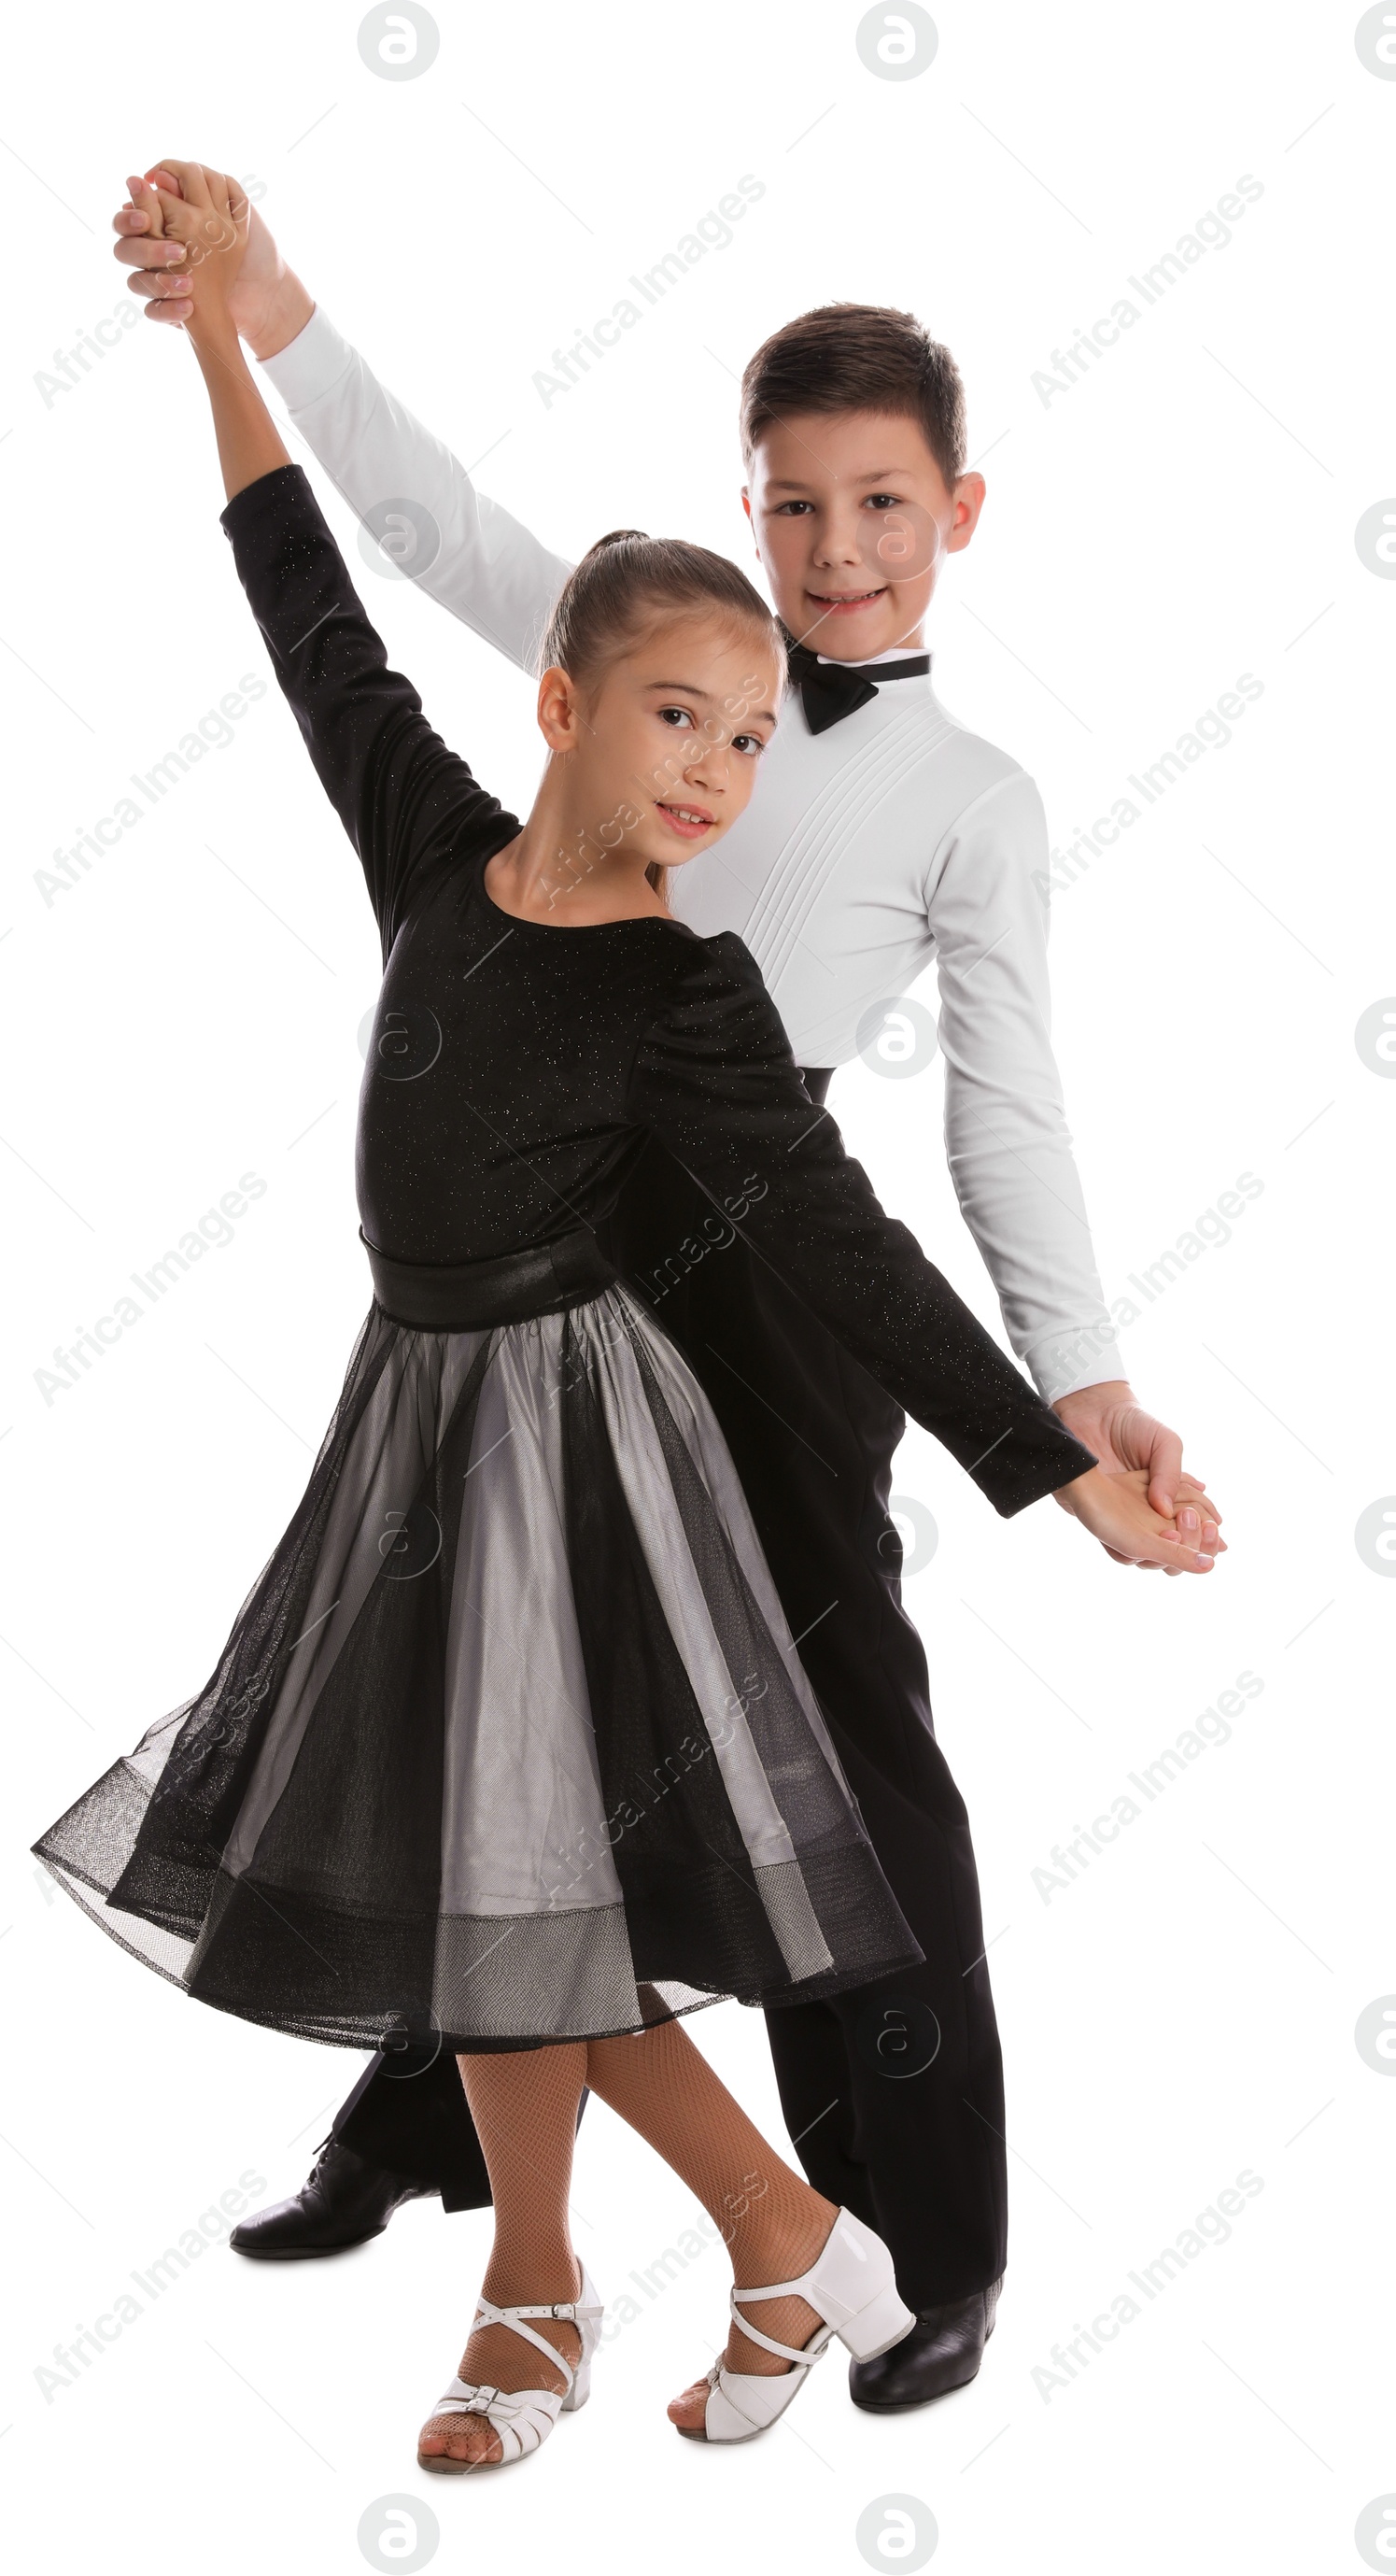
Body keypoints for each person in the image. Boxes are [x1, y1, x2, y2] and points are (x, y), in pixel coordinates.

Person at [101, 163, 1225, 2416]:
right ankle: (464, 2163)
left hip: (759, 1239)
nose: (832, 558)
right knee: (482, 1742)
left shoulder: (947, 804)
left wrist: (1060, 1410)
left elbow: (964, 1140)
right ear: (592, 681)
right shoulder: (627, 655)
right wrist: (254, 314)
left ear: (955, 511)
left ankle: (903, 2229)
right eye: (793, 507)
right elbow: (361, 561)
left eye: (881, 506)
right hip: (520, 1278)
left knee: (816, 1753)